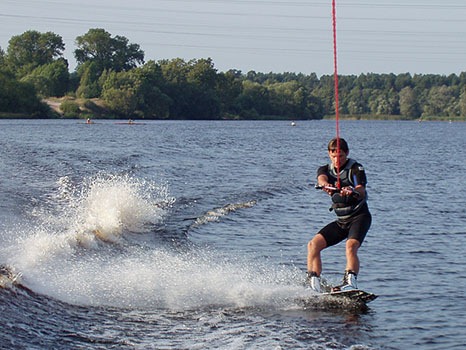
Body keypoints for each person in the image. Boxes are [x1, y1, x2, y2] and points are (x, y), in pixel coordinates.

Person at [307, 137, 372, 293]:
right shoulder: (324, 169)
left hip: (359, 217)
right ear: (329, 154)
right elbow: (321, 179)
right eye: (334, 155)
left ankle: (350, 282)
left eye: (341, 156)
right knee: (313, 245)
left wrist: (353, 190)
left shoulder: (356, 169)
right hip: (341, 221)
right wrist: (325, 185)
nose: (337, 159)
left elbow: (360, 189)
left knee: (351, 246)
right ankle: (314, 283)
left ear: (347, 153)